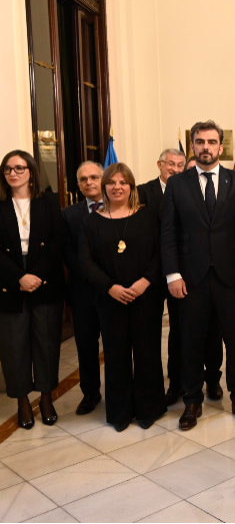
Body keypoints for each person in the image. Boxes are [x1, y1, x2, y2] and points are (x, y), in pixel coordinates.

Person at [162, 120, 235, 430]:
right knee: (191, 341)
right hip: (190, 279)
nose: (205, 147)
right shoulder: (178, 184)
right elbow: (168, 233)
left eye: (211, 142)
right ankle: (192, 400)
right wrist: (172, 275)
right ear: (193, 146)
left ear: (221, 147)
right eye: (200, 142)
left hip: (231, 277)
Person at [79, 163, 166, 432]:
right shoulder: (92, 221)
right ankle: (119, 412)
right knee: (115, 356)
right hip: (109, 299)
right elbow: (86, 261)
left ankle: (148, 408)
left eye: (123, 182)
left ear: (131, 187)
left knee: (147, 353)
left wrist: (144, 282)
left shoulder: (148, 216)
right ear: (105, 187)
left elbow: (159, 253)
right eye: (112, 182)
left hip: (145, 297)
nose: (117, 187)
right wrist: (111, 287)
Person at [138, 149, 224, 407]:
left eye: (180, 165)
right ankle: (176, 383)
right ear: (159, 165)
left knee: (204, 329)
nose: (175, 169)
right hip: (154, 273)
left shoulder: (194, 189)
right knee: (176, 334)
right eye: (170, 164)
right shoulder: (143, 192)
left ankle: (212, 378)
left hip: (189, 273)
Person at [0, 151, 65, 429]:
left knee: (46, 341)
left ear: (31, 172)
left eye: (19, 168)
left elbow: (57, 242)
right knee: (14, 346)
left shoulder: (48, 201)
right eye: (7, 170)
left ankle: (47, 397)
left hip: (45, 279)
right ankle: (23, 400)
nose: (13, 173)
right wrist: (19, 277)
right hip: (9, 281)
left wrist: (36, 275)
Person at [62, 161, 105, 416]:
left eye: (94, 177)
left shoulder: (118, 207)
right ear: (78, 185)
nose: (89, 182)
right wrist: (94, 275)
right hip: (83, 291)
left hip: (113, 290)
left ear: (104, 179)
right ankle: (90, 393)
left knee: (115, 344)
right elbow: (67, 252)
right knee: (86, 345)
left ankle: (119, 389)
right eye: (83, 179)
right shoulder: (68, 214)